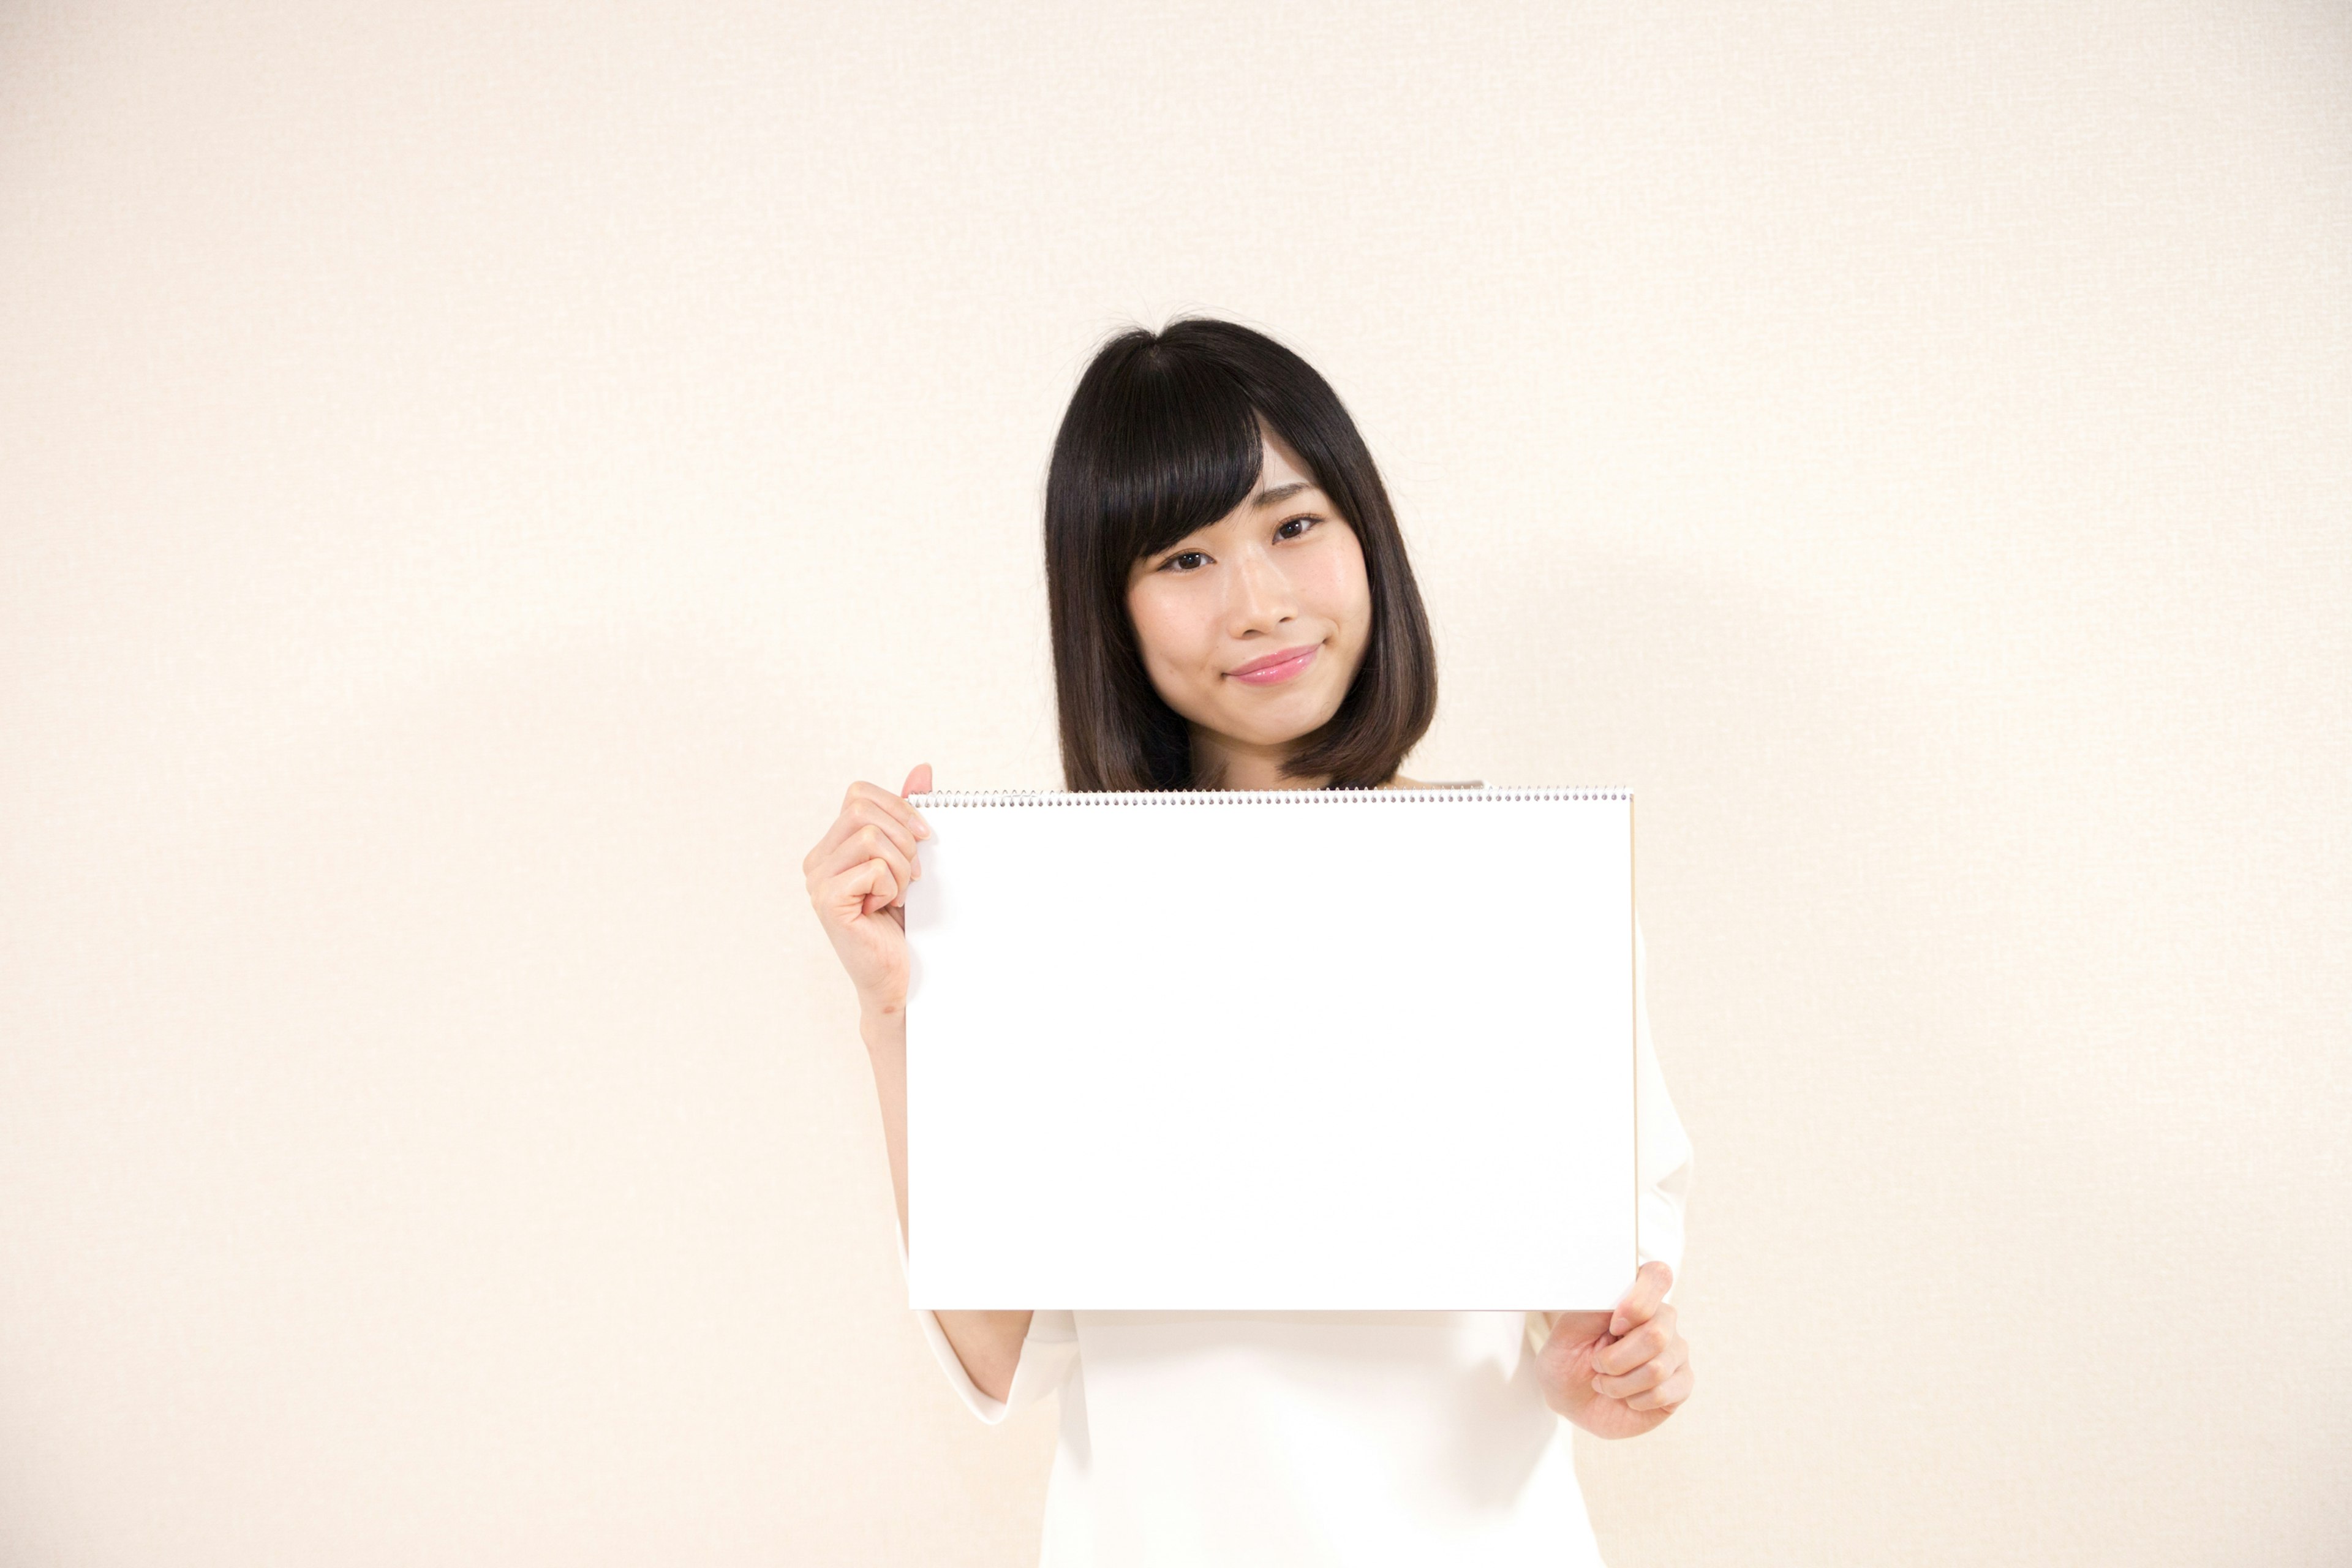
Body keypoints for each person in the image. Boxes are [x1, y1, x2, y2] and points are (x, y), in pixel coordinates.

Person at [803, 318, 1695, 1566]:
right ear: (1109, 608)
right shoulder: (1050, 911)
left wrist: (1604, 1372)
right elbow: (990, 1346)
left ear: (1365, 533)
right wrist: (897, 1009)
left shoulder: (1516, 886)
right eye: (1183, 556)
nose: (1259, 602)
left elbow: (1587, 1309)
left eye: (1292, 525)